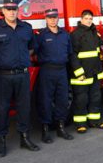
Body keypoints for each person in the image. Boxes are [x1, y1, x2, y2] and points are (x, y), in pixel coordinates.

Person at [0, 0, 40, 157]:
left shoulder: (26, 28)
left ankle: (25, 138)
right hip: (3, 76)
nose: (11, 12)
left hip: (22, 75)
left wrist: (19, 59)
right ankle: (1, 142)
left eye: (14, 9)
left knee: (24, 108)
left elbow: (31, 48)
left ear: (18, 10)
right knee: (2, 110)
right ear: (3, 10)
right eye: (8, 9)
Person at [35, 8, 74, 143]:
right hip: (47, 71)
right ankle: (45, 130)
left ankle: (61, 127)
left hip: (62, 71)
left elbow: (70, 52)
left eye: (55, 17)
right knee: (45, 101)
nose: (52, 20)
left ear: (58, 18)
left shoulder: (65, 34)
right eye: (50, 18)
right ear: (46, 19)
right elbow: (34, 52)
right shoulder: (41, 35)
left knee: (62, 100)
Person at [70, 10, 103, 133]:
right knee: (81, 99)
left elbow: (102, 47)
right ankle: (80, 124)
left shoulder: (95, 33)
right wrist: (79, 72)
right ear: (81, 19)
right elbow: (72, 55)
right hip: (82, 74)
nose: (88, 20)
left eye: (90, 19)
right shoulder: (75, 34)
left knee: (95, 98)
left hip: (95, 72)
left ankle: (94, 121)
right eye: (86, 18)